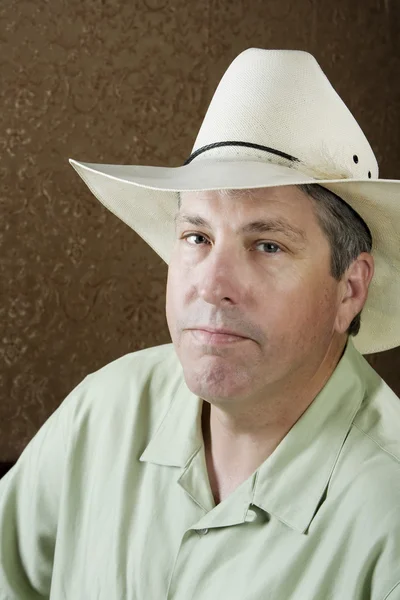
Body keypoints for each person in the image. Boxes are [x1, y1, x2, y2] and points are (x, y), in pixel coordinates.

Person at [1, 48, 400, 599]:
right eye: (197, 237)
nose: (212, 285)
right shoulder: (102, 412)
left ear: (349, 289)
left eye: (267, 245)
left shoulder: (389, 514)